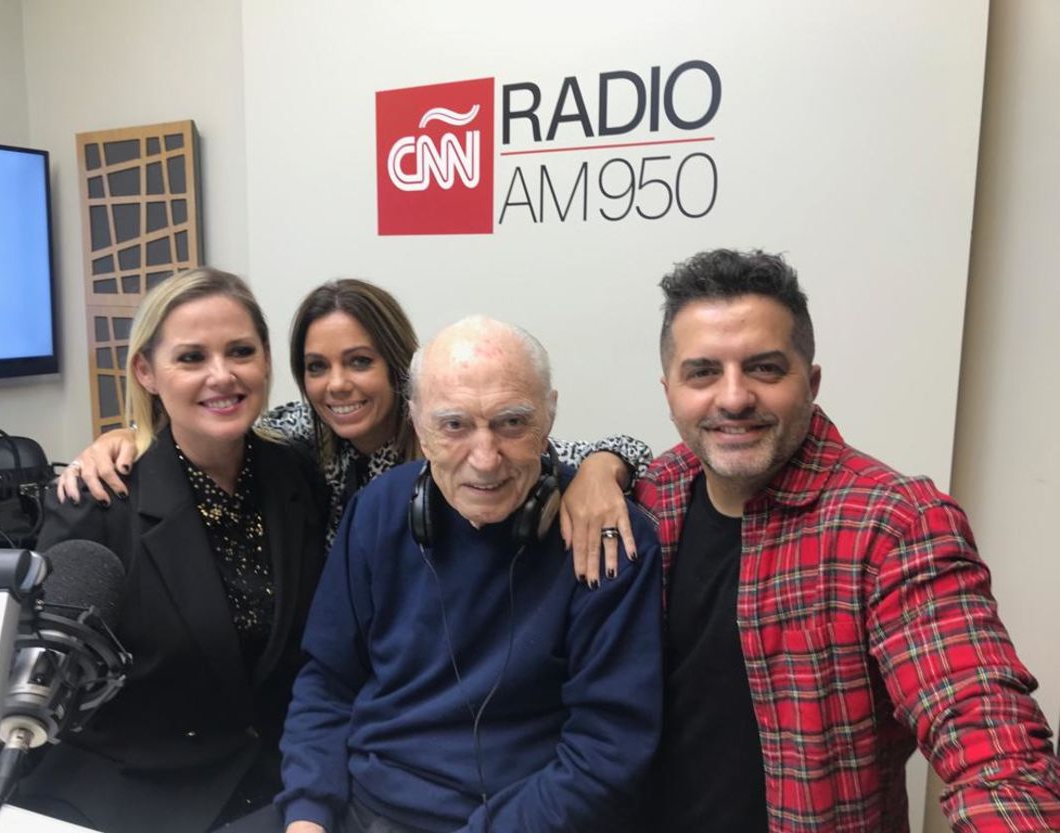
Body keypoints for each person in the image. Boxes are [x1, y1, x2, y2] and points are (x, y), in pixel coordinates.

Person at [637, 248, 1060, 832]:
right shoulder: (651, 497)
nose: (733, 398)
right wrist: (601, 462)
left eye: (763, 368)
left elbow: (980, 719)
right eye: (703, 372)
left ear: (810, 382)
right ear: (669, 392)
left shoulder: (894, 523)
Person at [276, 316, 663, 833]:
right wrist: (307, 813)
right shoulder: (377, 509)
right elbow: (328, 681)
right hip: (361, 809)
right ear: (417, 422)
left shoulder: (608, 535)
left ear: (549, 414)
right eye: (454, 425)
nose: (485, 459)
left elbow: (608, 750)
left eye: (511, 422)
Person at [57, 279, 651, 581]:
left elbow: (611, 448)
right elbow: (208, 421)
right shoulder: (294, 436)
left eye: (359, 361)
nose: (337, 385)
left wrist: (601, 469)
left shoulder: (461, 439)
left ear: (398, 365)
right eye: (317, 367)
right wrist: (127, 437)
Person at [14, 269, 327, 833]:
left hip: (278, 786)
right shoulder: (96, 502)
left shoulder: (296, 476)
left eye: (240, 351)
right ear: (146, 372)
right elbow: (51, 685)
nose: (222, 375)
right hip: (136, 792)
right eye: (190, 358)